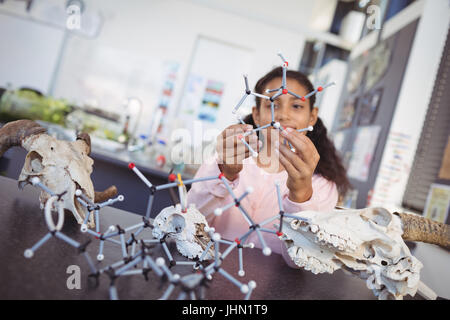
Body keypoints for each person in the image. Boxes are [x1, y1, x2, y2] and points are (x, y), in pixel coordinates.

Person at [187, 67, 350, 266]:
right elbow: (189, 225)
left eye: (296, 106)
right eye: (272, 104)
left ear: (312, 117)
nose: (282, 115)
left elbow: (299, 262)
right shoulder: (224, 160)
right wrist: (225, 174)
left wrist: (301, 193)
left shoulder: (322, 186)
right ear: (256, 115)